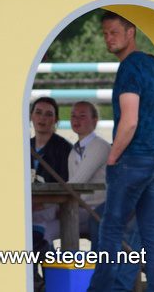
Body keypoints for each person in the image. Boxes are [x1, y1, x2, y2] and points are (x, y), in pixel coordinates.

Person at [87, 11, 154, 292]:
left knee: (110, 229)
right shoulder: (151, 64)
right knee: (150, 232)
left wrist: (113, 157)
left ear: (130, 31)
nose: (108, 39)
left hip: (133, 160)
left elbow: (130, 120)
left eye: (113, 32)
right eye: (105, 33)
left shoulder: (129, 68)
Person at [29, 95, 71, 249]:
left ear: (56, 120)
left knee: (33, 234)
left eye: (49, 114)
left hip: (51, 207)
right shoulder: (24, 146)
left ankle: (43, 271)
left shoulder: (64, 149)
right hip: (27, 206)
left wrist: (39, 203)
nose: (42, 118)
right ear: (31, 116)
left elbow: (67, 186)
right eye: (38, 112)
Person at [67, 101, 109, 248]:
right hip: (79, 210)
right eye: (73, 116)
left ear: (95, 120)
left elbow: (76, 183)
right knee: (42, 224)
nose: (76, 119)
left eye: (82, 116)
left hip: (97, 211)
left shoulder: (100, 146)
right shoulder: (73, 152)